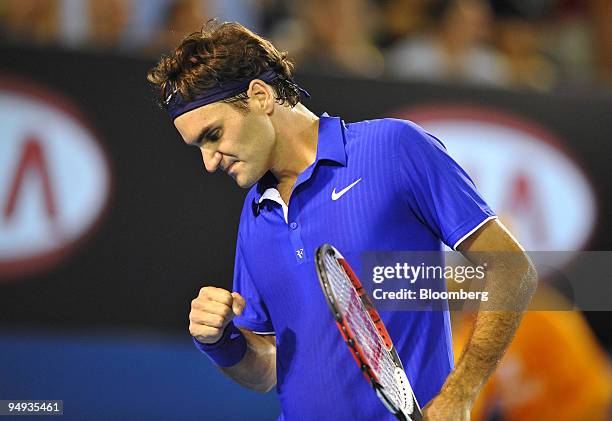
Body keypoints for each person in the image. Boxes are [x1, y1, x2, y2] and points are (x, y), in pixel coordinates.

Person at [147, 21, 537, 420]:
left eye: (213, 135)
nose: (209, 162)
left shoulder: (394, 149)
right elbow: (266, 369)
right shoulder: (255, 215)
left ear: (260, 96)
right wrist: (224, 343)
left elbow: (511, 269)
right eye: (199, 147)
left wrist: (460, 394)